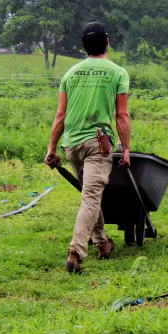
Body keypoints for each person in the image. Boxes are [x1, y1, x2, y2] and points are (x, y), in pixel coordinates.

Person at [44, 22, 131, 273]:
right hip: (99, 144)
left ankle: (103, 244)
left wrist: (52, 148)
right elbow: (122, 116)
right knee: (91, 197)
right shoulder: (117, 73)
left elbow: (60, 115)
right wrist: (125, 149)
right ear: (107, 42)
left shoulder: (70, 74)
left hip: (72, 144)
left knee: (88, 195)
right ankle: (76, 252)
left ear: (84, 46)